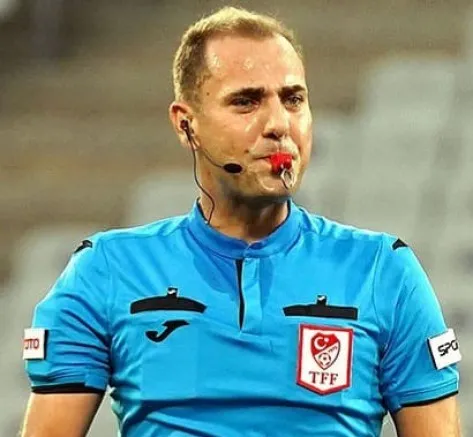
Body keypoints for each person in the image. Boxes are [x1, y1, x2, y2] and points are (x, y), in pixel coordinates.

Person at [20, 6, 462, 437]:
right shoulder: (108, 269)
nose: (278, 124)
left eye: (293, 99)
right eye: (246, 102)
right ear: (186, 125)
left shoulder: (383, 270)